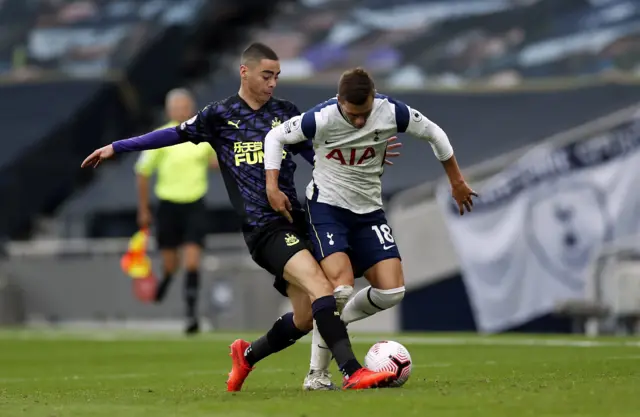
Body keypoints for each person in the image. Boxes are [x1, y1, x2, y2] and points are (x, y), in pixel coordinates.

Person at [80, 44, 401, 391]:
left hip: (296, 218)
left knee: (306, 317)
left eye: (277, 76)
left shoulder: (285, 113)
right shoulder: (218, 116)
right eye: (267, 75)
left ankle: (246, 356)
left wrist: (362, 157)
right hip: (263, 228)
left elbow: (319, 158)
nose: (273, 83)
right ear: (244, 72)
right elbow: (171, 134)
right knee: (324, 288)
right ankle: (352, 371)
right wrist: (117, 146)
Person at [263, 67, 477, 390]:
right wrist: (272, 184)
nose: (360, 121)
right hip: (327, 209)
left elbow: (435, 133)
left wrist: (457, 181)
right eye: (353, 115)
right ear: (339, 102)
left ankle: (335, 319)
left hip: (369, 212)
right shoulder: (320, 118)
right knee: (340, 288)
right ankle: (317, 376)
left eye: (364, 114)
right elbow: (275, 136)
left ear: (374, 99)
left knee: (392, 290)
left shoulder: (390, 111)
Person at [134, 88, 219, 335]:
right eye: (177, 107)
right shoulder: (161, 136)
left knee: (192, 260)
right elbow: (142, 171)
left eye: (185, 106)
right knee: (171, 263)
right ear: (170, 110)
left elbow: (214, 162)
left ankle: (191, 315)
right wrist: (144, 208)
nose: (182, 110)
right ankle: (168, 277)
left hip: (195, 204)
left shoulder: (201, 136)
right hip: (168, 205)